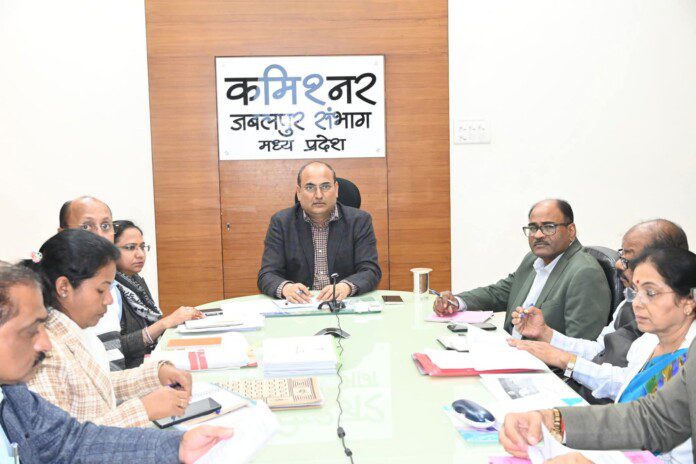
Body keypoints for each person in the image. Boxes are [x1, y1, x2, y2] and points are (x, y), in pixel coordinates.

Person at [0, 263, 232, 463]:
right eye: (31, 330)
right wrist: (143, 409)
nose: (45, 343)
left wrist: (177, 447)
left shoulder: (15, 393)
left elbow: (71, 442)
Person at [501, 247, 696, 463]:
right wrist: (553, 420)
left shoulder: (687, 358)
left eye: (650, 293)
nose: (637, 303)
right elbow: (646, 416)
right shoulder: (648, 341)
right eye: (634, 292)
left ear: (689, 301)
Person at [22, 230, 195, 428]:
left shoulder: (79, 331)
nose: (109, 300)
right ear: (64, 287)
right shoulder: (45, 352)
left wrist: (156, 375)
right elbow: (65, 441)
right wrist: (144, 409)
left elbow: (99, 388)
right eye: (101, 290)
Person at [508, 219, 688, 403]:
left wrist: (566, 361)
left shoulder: (674, 340)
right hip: (586, 391)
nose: (618, 265)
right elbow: (599, 350)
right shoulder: (630, 303)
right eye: (621, 254)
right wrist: (546, 334)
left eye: (627, 258)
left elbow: (629, 388)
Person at [433, 199, 611, 339]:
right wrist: (456, 302)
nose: (538, 235)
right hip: (510, 350)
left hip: (543, 368)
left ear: (571, 231)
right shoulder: (533, 259)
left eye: (549, 227)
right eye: (533, 228)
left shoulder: (585, 273)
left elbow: (580, 346)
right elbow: (498, 293)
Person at [257, 161, 382, 303]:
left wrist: (346, 287)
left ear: (336, 189)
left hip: (343, 304)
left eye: (325, 186)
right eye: (310, 187)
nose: (318, 195)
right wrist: (286, 288)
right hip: (300, 306)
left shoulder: (359, 221)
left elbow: (370, 270)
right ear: (299, 192)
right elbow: (267, 274)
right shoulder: (282, 222)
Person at [113, 220, 203, 368]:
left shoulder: (135, 281)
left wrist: (180, 319)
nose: (140, 254)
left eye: (142, 247)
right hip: (132, 370)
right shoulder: (109, 289)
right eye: (130, 248)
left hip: (151, 357)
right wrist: (164, 323)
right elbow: (114, 348)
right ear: (110, 251)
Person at [59, 195, 125, 370]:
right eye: (86, 227)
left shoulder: (113, 287)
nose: (99, 236)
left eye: (105, 226)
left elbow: (112, 362)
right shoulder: (60, 288)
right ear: (63, 233)